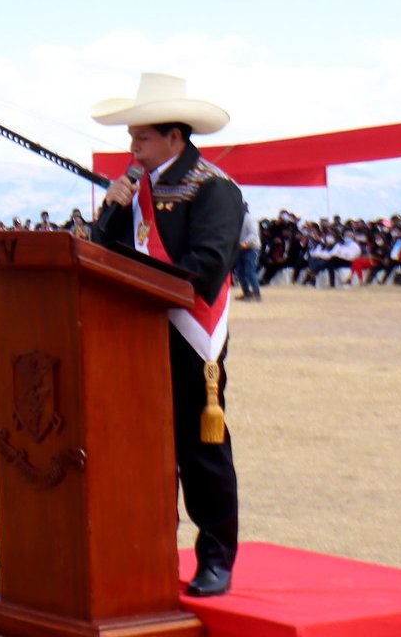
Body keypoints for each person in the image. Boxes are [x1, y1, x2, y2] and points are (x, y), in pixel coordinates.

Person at [88, 73, 242, 598]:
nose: (132, 148)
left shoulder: (216, 189)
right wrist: (110, 210)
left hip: (190, 335)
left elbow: (208, 266)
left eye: (142, 138)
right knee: (139, 449)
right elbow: (98, 252)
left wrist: (140, 272)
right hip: (134, 332)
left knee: (202, 450)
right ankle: (145, 549)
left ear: (176, 137)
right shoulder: (136, 190)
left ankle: (216, 556)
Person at [234, 206, 262, 301]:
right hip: (241, 248)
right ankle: (247, 293)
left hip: (251, 248)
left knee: (250, 271)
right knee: (240, 272)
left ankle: (256, 294)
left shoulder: (249, 218)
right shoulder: (237, 219)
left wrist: (245, 242)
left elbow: (253, 234)